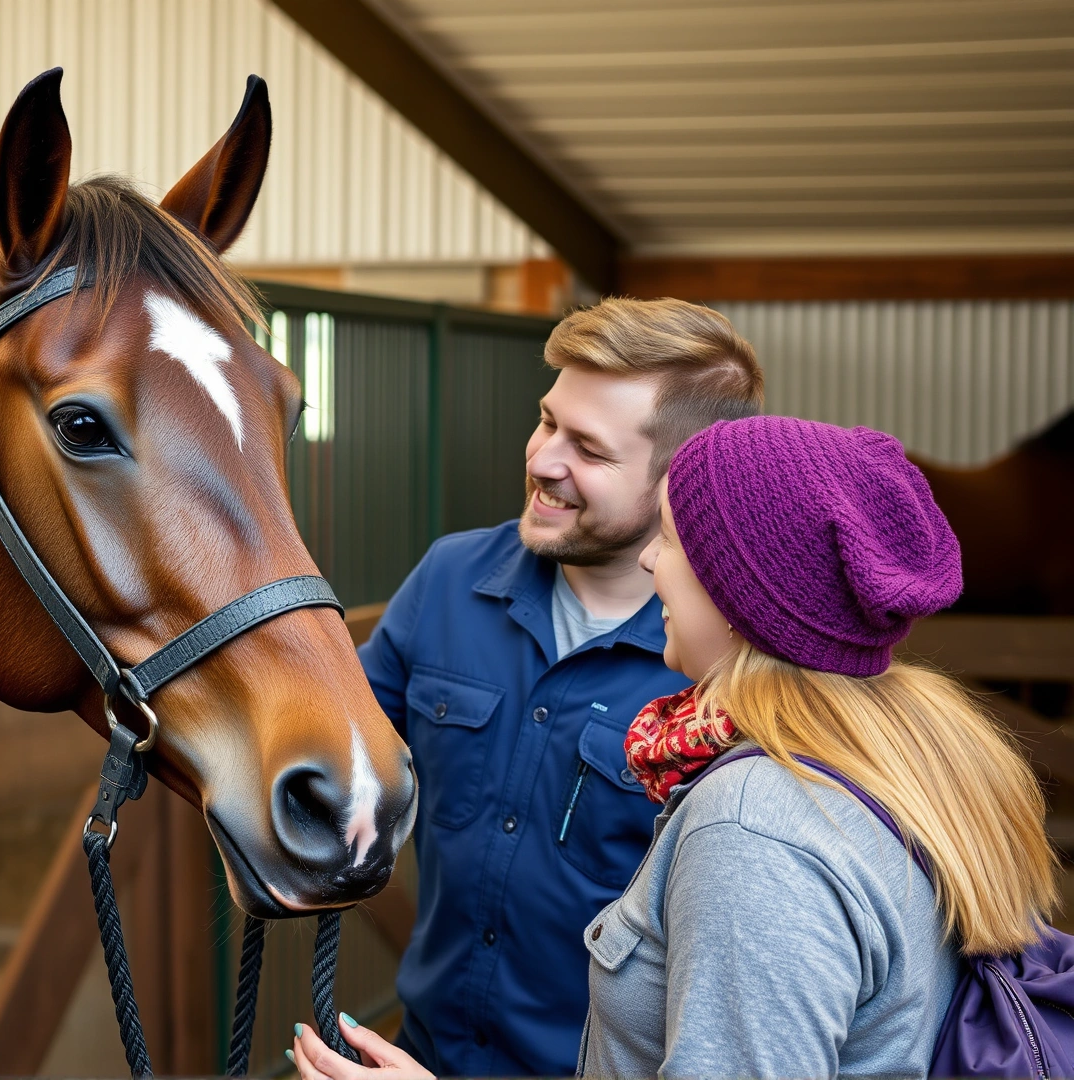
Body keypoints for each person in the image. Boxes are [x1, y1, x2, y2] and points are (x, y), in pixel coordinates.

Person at [292, 416, 1061, 1080]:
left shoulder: (755, 832)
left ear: (740, 595)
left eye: (675, 539)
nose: (654, 561)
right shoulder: (904, 755)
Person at [355, 298, 764, 1075]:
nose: (543, 460)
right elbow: (344, 754)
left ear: (684, 478)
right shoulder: (448, 578)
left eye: (589, 449)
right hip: (421, 1055)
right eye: (547, 421)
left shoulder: (725, 672)